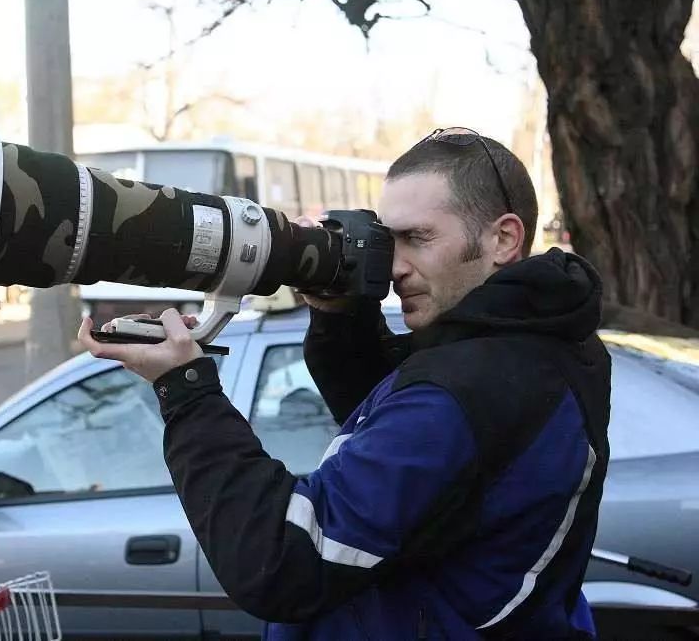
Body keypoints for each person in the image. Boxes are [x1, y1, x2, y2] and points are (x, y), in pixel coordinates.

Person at [78, 128, 610, 640]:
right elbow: (426, 462)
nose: (395, 267)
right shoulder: (543, 341)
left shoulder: (465, 390)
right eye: (387, 239)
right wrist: (341, 318)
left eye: (417, 238)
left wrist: (186, 389)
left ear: (504, 238)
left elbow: (282, 561)